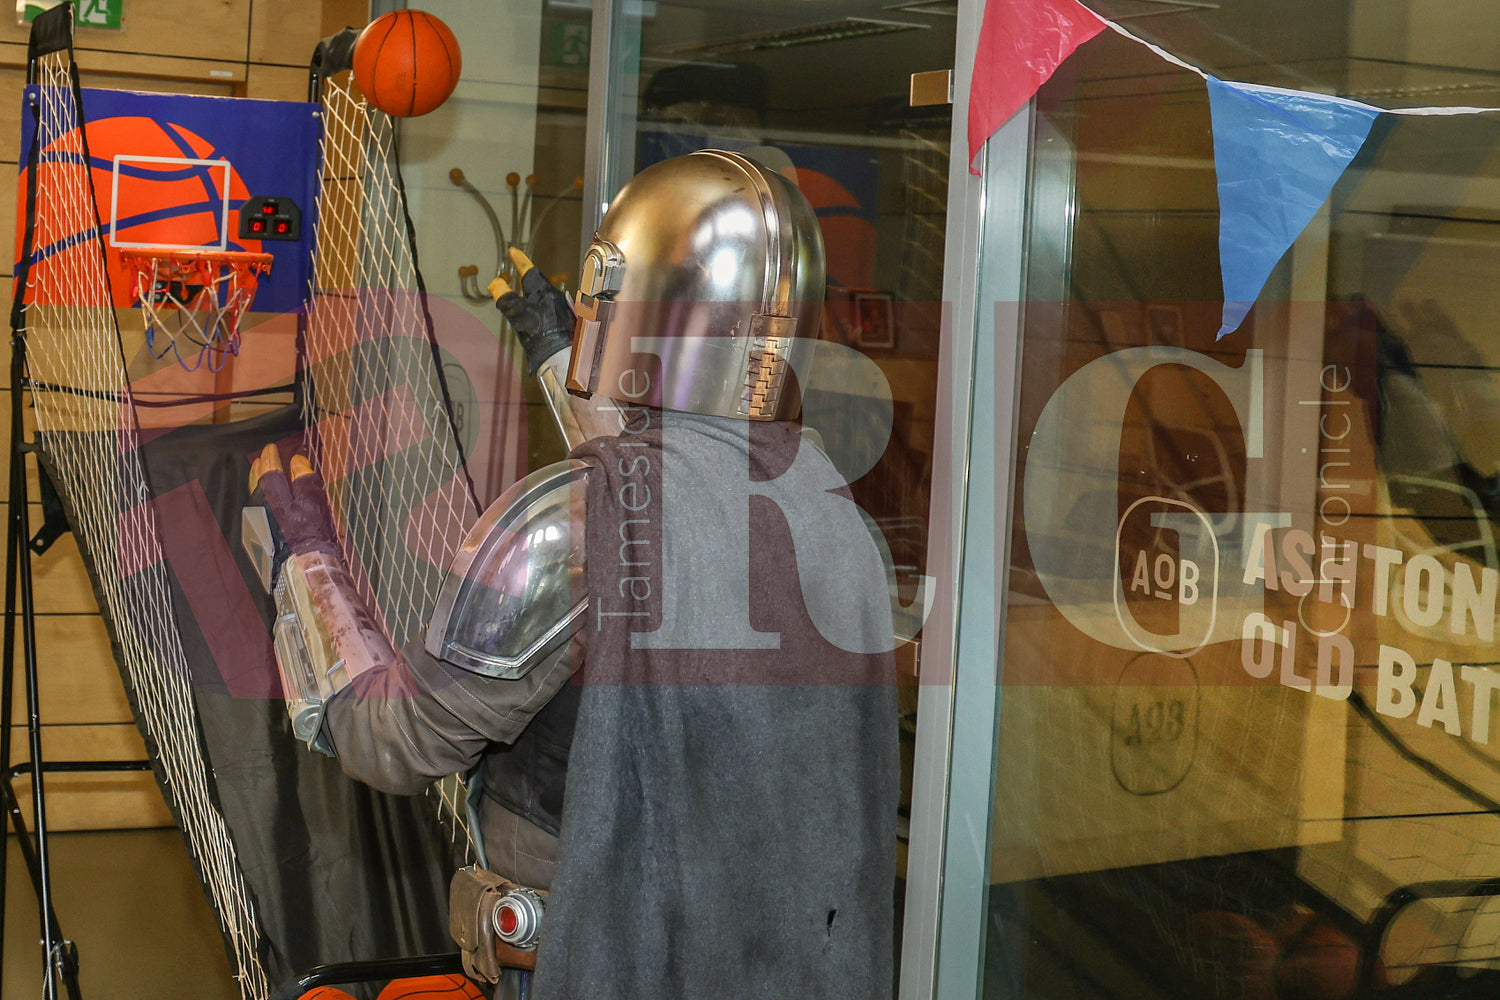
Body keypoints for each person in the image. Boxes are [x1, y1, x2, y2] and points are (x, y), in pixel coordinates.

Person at [252, 149, 899, 999]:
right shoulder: (840, 518)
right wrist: (560, 350)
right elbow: (673, 494)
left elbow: (391, 739)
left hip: (605, 962)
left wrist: (306, 565)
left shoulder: (575, 524)